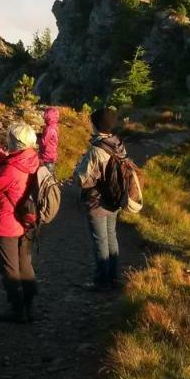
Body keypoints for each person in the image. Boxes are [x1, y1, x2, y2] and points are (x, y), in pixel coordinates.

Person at [0, 121, 40, 322]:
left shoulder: (11, 172)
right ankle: (29, 304)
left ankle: (17, 310)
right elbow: (11, 161)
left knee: (9, 270)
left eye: (9, 140)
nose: (7, 142)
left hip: (7, 225)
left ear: (17, 143)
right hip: (26, 222)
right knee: (24, 264)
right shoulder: (30, 159)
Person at [74, 107, 127, 291]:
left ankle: (101, 281)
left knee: (100, 240)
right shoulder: (118, 144)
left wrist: (77, 168)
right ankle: (113, 277)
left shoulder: (96, 149)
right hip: (114, 199)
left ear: (97, 125)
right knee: (111, 237)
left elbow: (81, 178)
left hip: (97, 201)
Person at [39, 106, 60, 176]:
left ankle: (49, 185)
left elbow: (43, 142)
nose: (44, 116)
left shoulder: (49, 129)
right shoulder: (54, 126)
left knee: (46, 174)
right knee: (50, 172)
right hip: (51, 155)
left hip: (46, 156)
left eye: (45, 115)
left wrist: (37, 138)